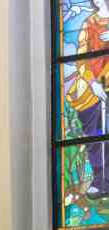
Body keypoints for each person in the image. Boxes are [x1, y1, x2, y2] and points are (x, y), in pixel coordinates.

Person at [65, 0, 109, 199]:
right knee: (94, 136)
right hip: (93, 88)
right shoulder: (90, 23)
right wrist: (93, 83)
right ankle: (101, 181)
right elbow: (81, 57)